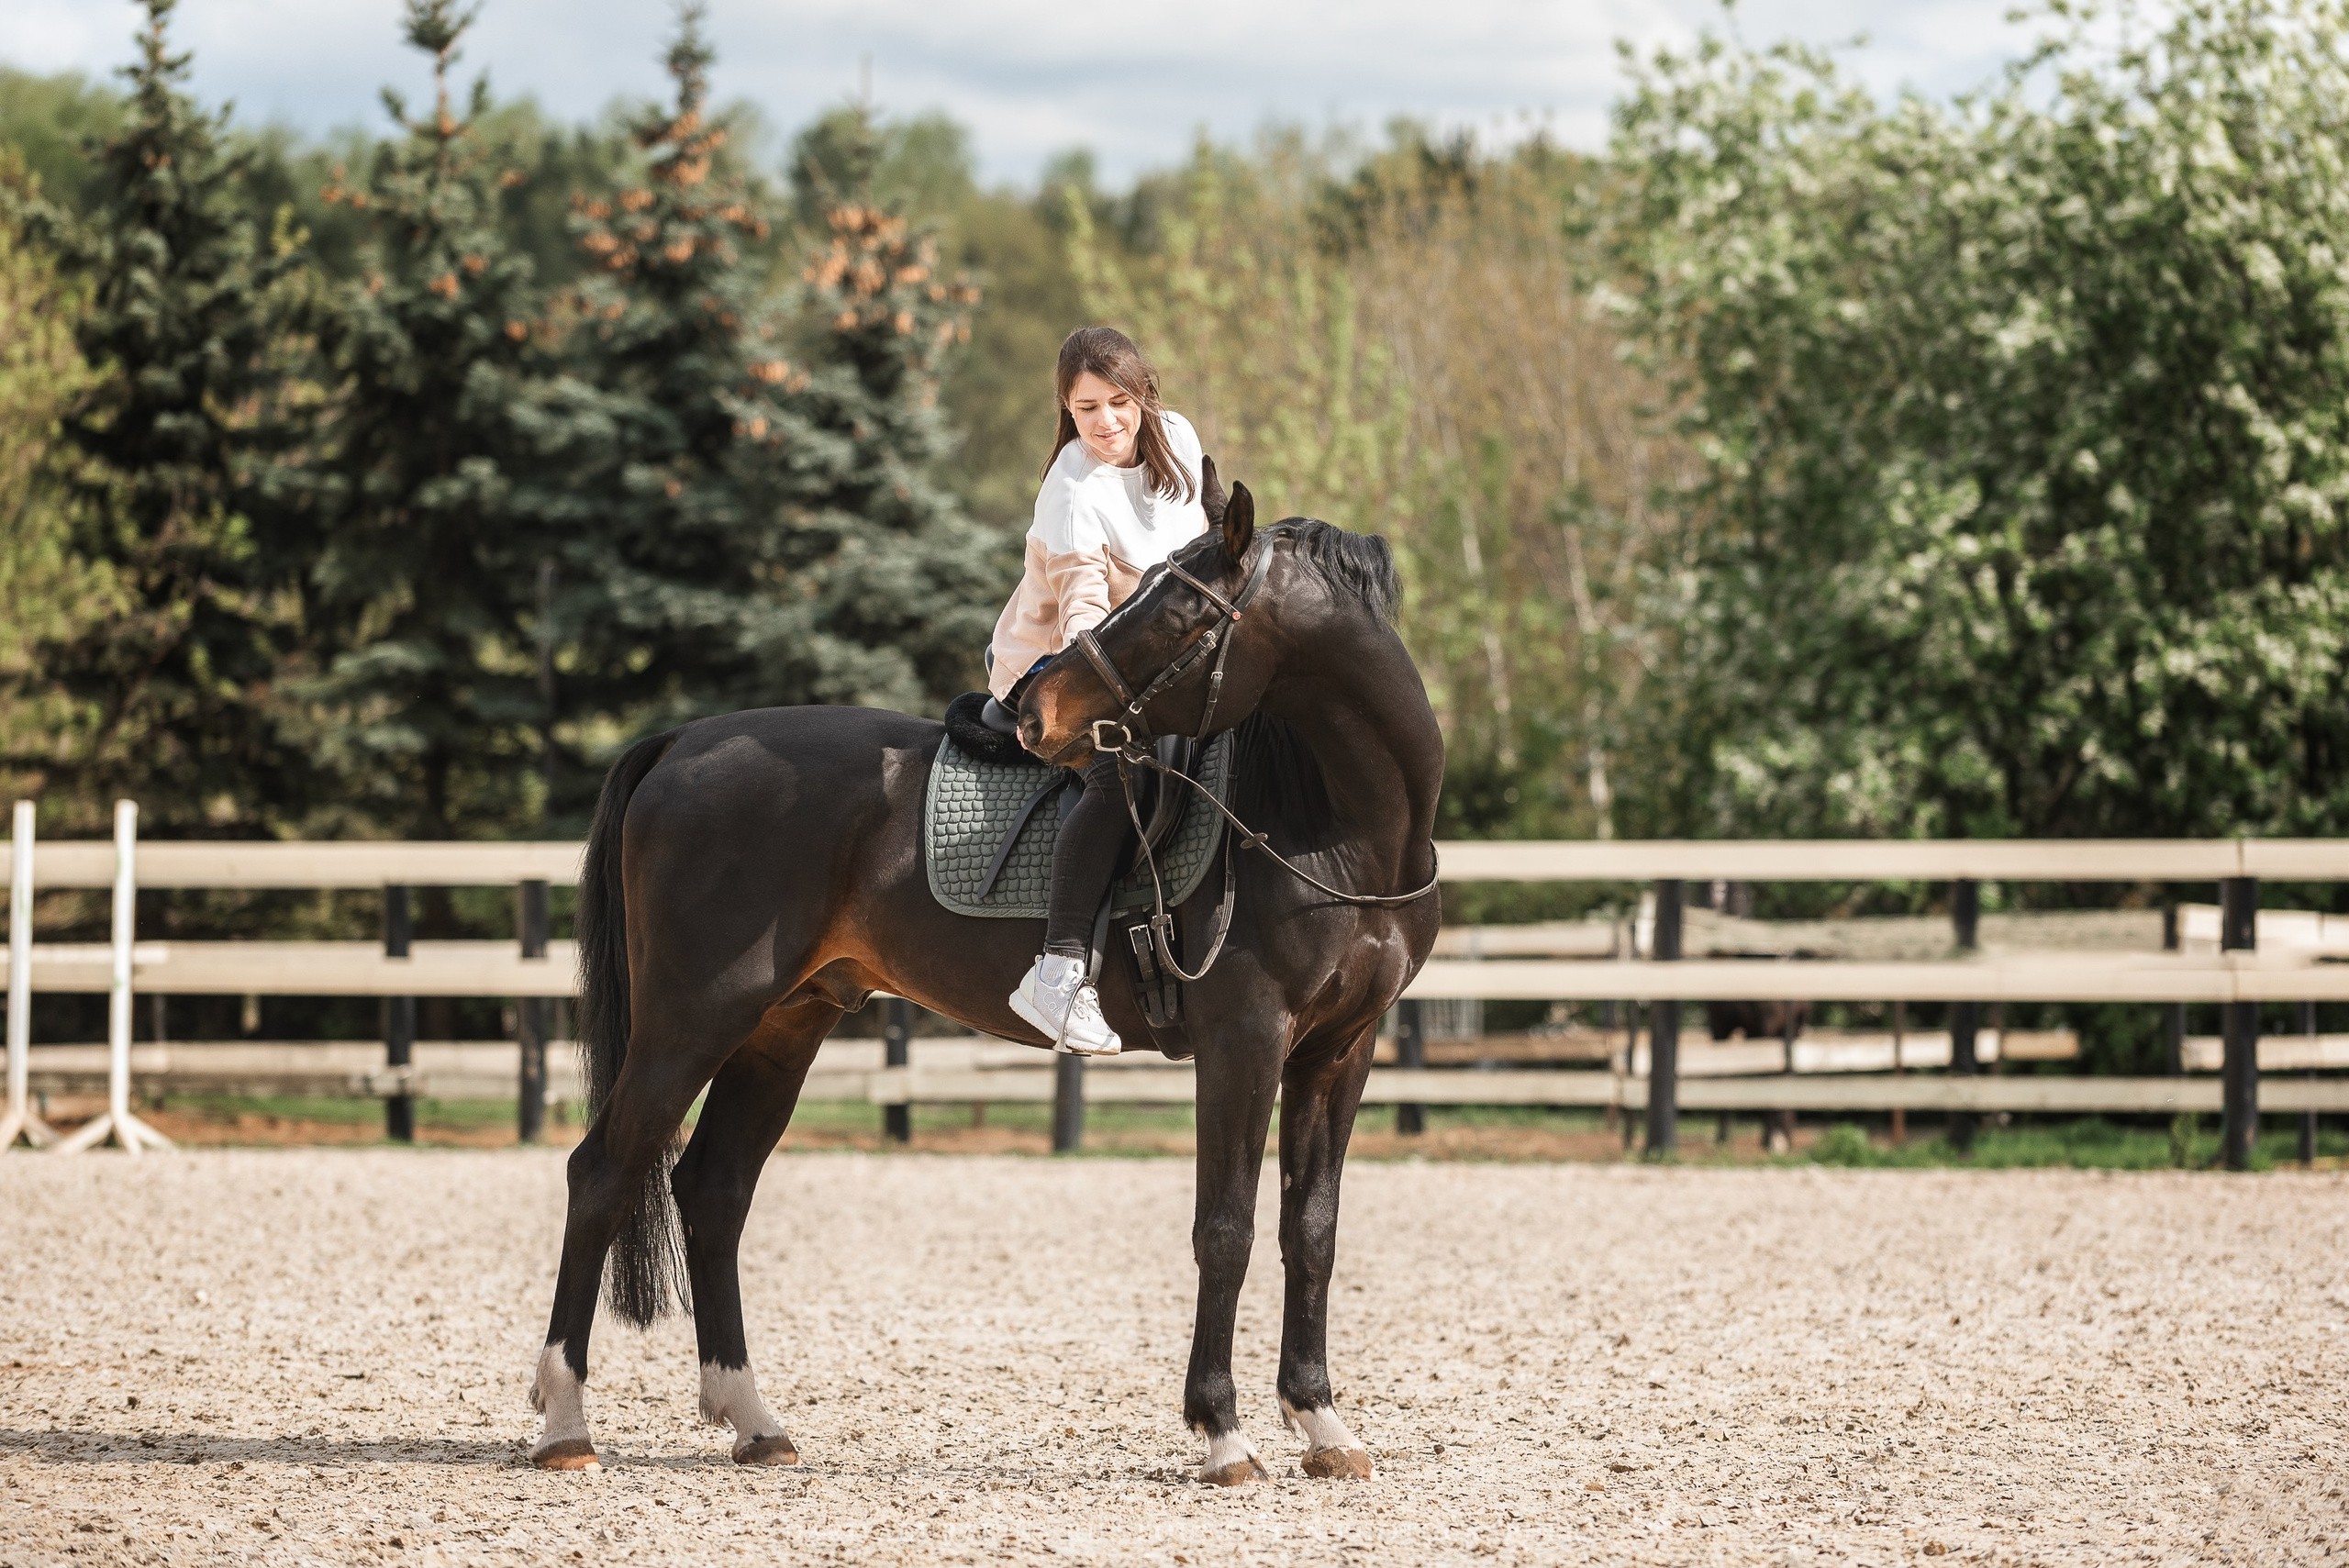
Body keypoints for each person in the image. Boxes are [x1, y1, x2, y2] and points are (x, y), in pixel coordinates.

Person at [989, 327, 1209, 1055]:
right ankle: (1057, 972)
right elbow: (1083, 619)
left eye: (1119, 401)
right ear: (1066, 409)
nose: (1107, 422)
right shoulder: (1072, 492)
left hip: (1153, 659)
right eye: (1087, 408)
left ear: (1144, 396)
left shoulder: (1175, 436)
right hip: (1062, 668)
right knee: (1122, 774)